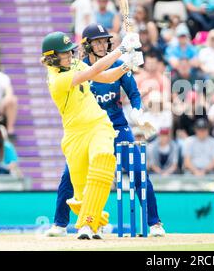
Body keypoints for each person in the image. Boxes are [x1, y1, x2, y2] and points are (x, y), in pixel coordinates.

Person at [40, 28, 143, 239]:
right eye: (64, 53)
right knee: (79, 192)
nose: (70, 55)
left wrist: (126, 65)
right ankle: (93, 223)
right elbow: (91, 71)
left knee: (103, 160)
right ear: (51, 58)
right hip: (74, 135)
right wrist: (122, 49)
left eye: (70, 51)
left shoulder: (75, 63)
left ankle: (87, 224)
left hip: (99, 125)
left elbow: (104, 76)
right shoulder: (56, 80)